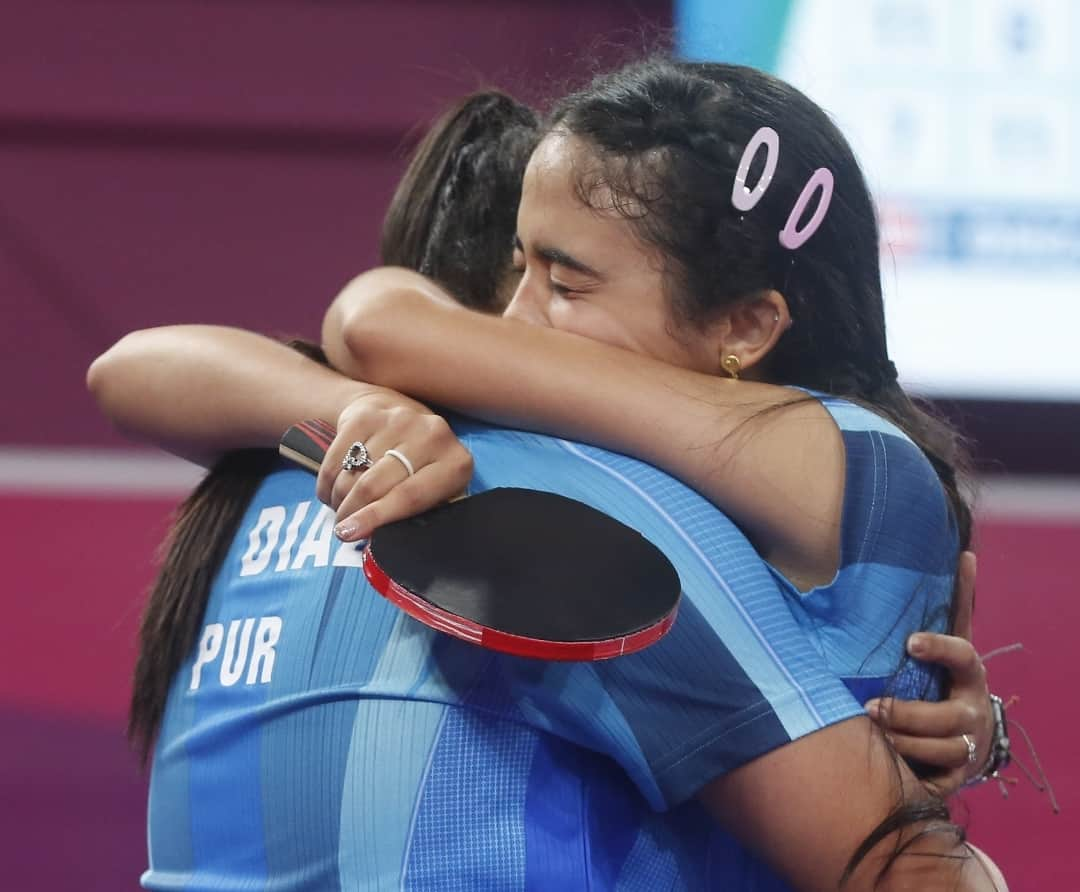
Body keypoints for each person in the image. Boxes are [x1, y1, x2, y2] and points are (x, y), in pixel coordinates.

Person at [89, 76, 1005, 890]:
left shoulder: (283, 462)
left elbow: (361, 324)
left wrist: (352, 395)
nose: (514, 325)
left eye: (564, 284)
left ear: (745, 323)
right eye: (516, 275)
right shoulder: (582, 509)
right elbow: (905, 871)